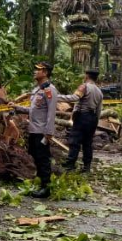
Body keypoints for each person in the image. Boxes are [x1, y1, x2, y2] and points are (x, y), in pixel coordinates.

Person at [13, 61, 59, 198]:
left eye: (38, 70)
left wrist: (49, 132)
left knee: (43, 158)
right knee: (35, 156)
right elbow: (33, 110)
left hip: (42, 131)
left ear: (45, 73)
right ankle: (40, 183)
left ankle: (46, 187)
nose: (35, 71)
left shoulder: (50, 90)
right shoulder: (37, 90)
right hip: (33, 130)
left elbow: (51, 113)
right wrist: (16, 107)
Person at [58, 67, 104, 173]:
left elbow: (74, 98)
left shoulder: (84, 87)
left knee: (75, 141)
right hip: (92, 118)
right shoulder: (99, 91)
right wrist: (95, 122)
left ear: (87, 76)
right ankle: (86, 167)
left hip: (82, 117)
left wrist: (56, 97)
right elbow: (99, 110)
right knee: (88, 143)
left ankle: (70, 165)